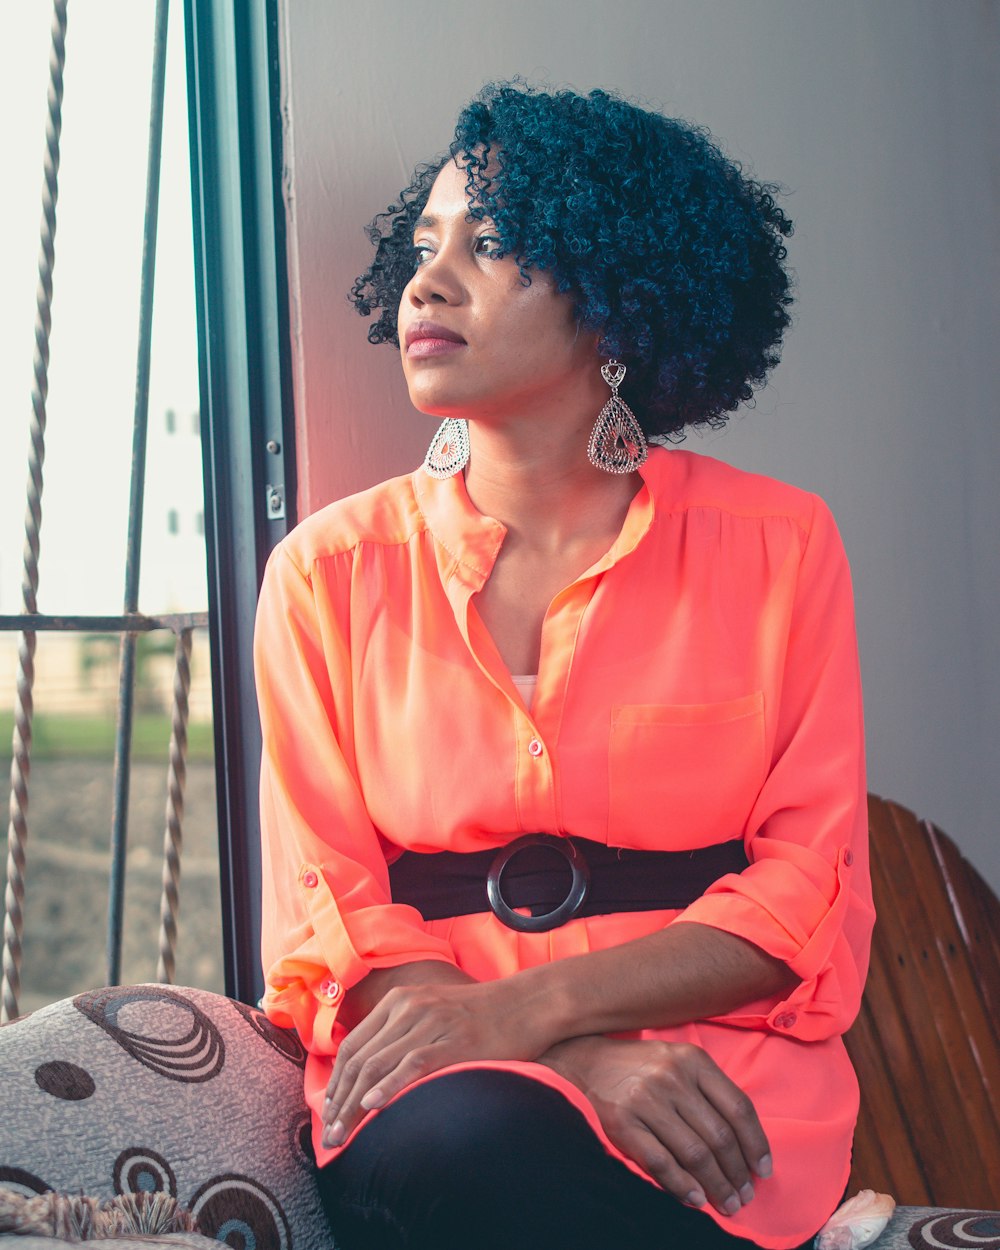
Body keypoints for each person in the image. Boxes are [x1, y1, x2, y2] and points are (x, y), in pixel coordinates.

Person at [253, 81, 874, 1250]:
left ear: (619, 298)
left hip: (720, 1098)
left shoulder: (781, 546)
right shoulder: (322, 574)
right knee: (474, 1147)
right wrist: (565, 1055)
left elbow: (807, 889)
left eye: (488, 246)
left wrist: (537, 1007)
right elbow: (331, 916)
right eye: (422, 248)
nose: (425, 284)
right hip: (438, 1089)